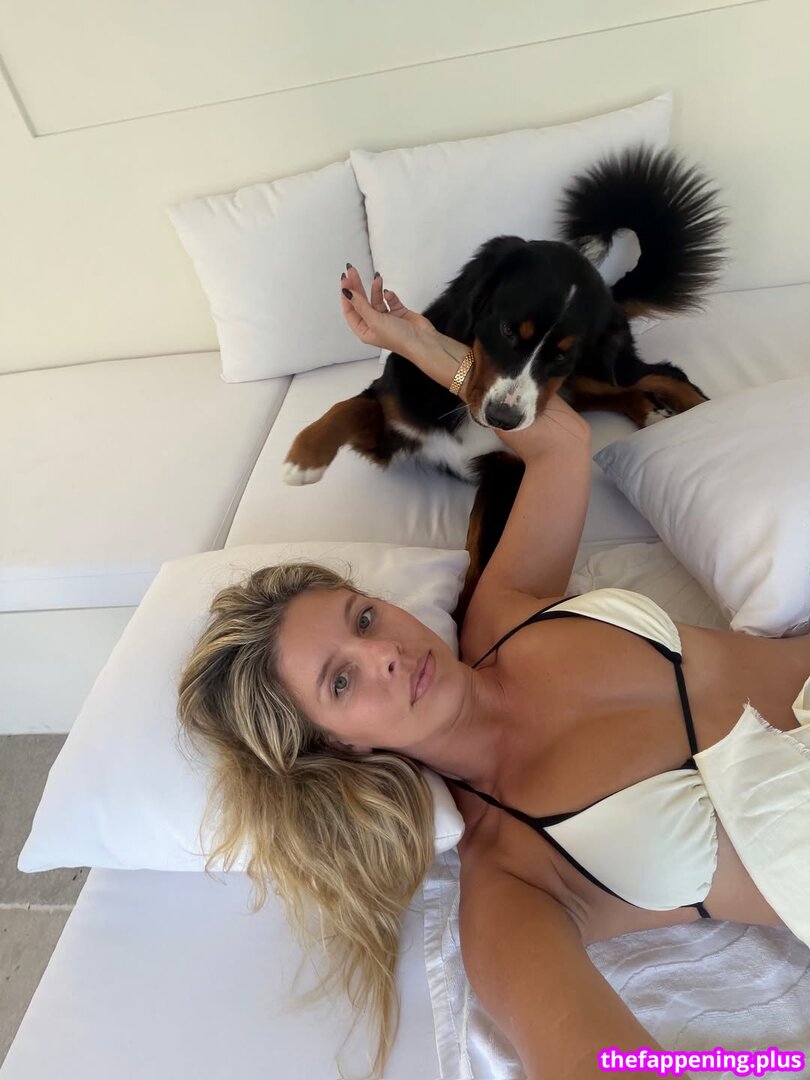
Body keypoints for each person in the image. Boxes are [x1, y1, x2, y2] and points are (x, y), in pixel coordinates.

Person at [178, 266, 810, 1080]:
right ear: (337, 747)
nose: (384, 653)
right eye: (341, 681)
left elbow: (560, 445)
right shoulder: (510, 883)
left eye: (364, 618)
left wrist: (415, 341)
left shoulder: (505, 613)